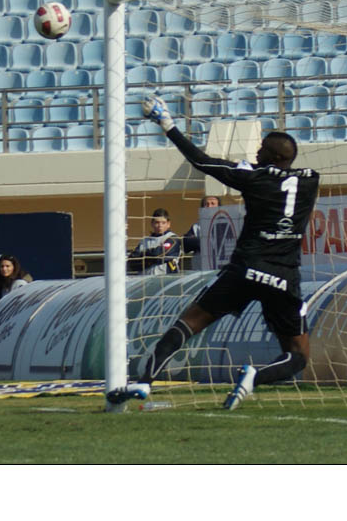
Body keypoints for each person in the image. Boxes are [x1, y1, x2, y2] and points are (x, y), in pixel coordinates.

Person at [108, 95, 320, 410]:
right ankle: (254, 377)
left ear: (274, 156)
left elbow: (202, 161)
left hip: (245, 268)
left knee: (187, 324)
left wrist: (168, 125)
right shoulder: (311, 180)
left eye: (262, 149)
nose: (257, 151)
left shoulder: (254, 178)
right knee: (298, 355)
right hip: (283, 275)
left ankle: (144, 382)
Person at [127, 208, 182, 275]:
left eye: (163, 223)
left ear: (168, 224)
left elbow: (159, 254)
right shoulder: (144, 241)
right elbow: (132, 262)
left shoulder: (173, 238)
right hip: (144, 279)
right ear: (152, 223)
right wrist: (150, 258)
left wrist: (144, 256)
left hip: (166, 279)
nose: (160, 225)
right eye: (157, 222)